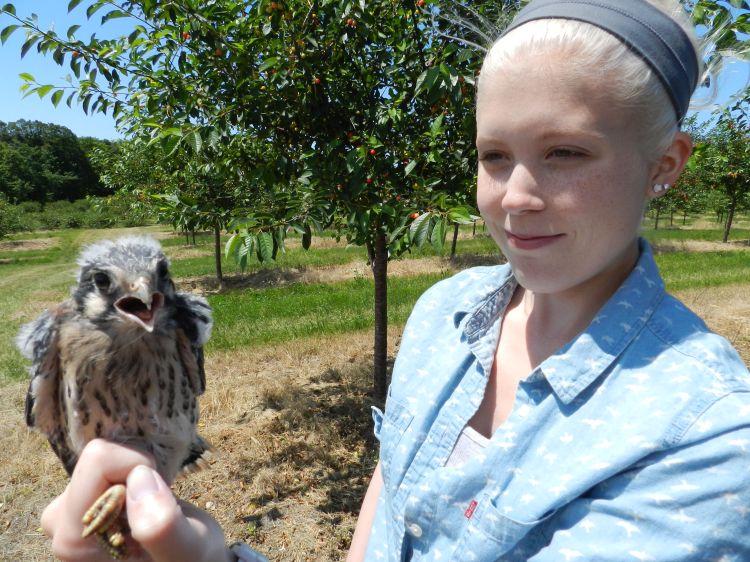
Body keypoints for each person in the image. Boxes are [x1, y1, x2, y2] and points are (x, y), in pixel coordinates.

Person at [346, 0, 750, 560]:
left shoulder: (706, 439)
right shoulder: (445, 311)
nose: (514, 197)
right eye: (495, 155)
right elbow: (390, 481)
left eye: (564, 152)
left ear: (664, 163)